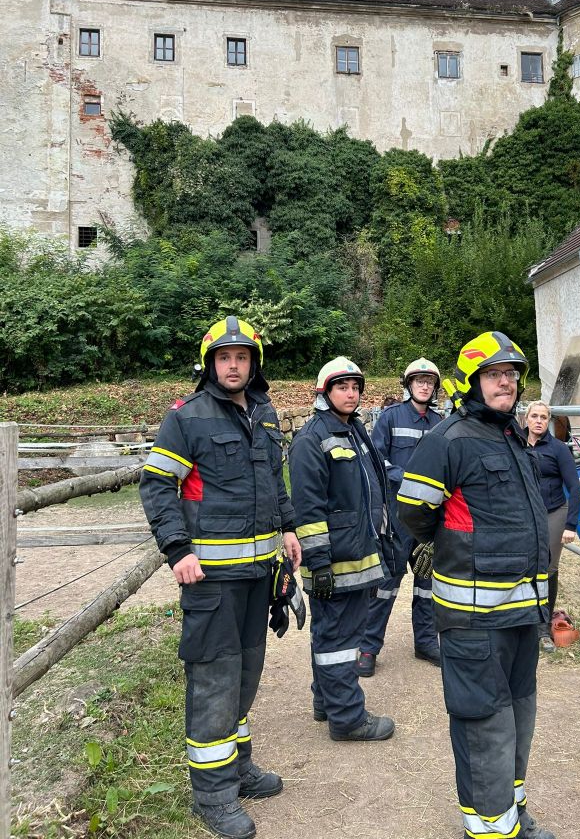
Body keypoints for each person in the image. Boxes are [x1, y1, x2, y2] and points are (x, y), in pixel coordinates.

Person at [139, 316, 301, 839]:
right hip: (210, 580)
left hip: (258, 574)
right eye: (225, 358)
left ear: (254, 363)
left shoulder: (265, 414)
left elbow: (274, 480)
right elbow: (157, 485)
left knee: (246, 674)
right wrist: (177, 549)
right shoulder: (186, 417)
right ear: (210, 364)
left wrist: (289, 528)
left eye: (242, 357)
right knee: (213, 680)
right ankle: (211, 796)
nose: (234, 366)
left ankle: (238, 767)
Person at [398, 331, 555, 839]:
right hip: (473, 618)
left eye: (510, 374)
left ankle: (511, 811)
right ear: (470, 382)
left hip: (520, 612)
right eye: (493, 374)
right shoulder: (449, 440)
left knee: (518, 717)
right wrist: (450, 544)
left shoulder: (512, 436)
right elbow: (414, 511)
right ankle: (490, 828)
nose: (505, 382)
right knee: (484, 722)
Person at [289, 356, 396, 741]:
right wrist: (319, 565)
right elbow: (308, 509)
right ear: (325, 392)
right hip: (335, 563)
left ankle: (326, 700)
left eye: (355, 387)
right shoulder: (311, 439)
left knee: (331, 635)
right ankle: (348, 718)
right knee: (339, 641)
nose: (351, 394)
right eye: (342, 387)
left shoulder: (353, 431)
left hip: (357, 556)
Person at [357, 358, 443, 676]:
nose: (424, 386)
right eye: (419, 380)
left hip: (429, 521)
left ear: (435, 388)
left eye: (429, 381)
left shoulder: (440, 422)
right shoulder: (390, 417)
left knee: (426, 584)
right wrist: (407, 479)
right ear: (408, 385)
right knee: (386, 585)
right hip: (397, 519)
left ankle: (426, 642)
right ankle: (368, 647)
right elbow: (376, 459)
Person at [524, 401, 580, 653]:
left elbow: (575, 487)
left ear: (548, 421)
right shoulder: (515, 444)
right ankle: (524, 622)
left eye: (544, 417)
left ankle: (543, 628)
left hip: (553, 512)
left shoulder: (558, 449)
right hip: (525, 515)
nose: (539, 421)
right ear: (526, 419)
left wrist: (571, 525)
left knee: (547, 567)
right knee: (523, 565)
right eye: (534, 416)